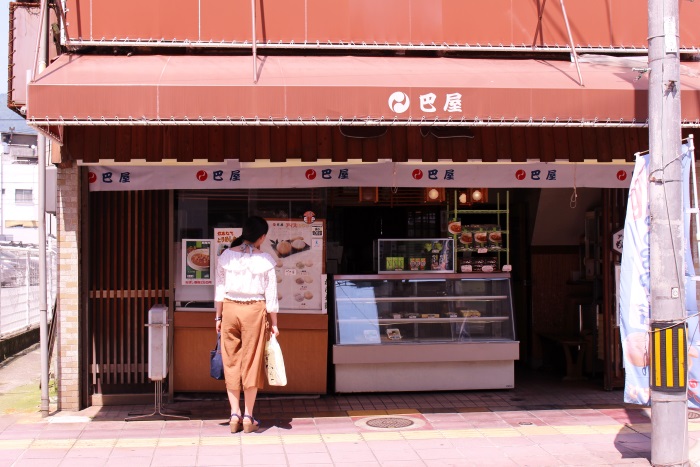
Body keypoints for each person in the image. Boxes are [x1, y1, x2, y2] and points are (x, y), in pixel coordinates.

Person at [214, 216, 279, 433]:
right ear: (262, 237)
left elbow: (219, 289)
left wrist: (218, 317)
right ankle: (249, 416)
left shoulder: (226, 256)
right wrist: (274, 323)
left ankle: (234, 415)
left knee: (231, 361)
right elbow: (271, 296)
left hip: (230, 308)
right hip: (254, 310)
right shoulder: (266, 260)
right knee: (252, 362)